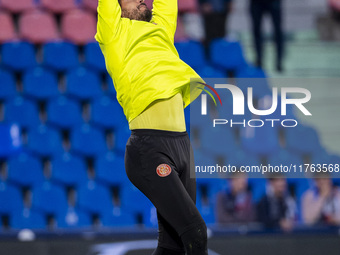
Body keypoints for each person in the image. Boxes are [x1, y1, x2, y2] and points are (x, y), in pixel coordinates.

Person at [95, 0, 207, 254]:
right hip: (150, 148)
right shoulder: (114, 34)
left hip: (182, 147)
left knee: (173, 246)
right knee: (195, 231)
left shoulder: (161, 30)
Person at [249, 0, 284, 71]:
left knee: (278, 31)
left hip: (273, 2)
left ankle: (279, 61)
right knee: (257, 31)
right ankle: (259, 60)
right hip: (256, 3)